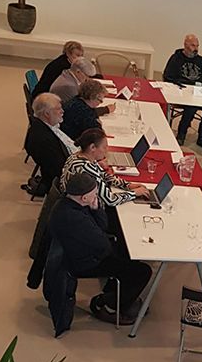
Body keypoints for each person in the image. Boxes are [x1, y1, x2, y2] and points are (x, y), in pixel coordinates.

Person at [49, 172, 152, 325]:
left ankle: (115, 293)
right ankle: (108, 305)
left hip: (79, 251)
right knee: (142, 271)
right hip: (84, 262)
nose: (96, 196)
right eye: (95, 194)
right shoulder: (75, 219)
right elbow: (103, 244)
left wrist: (96, 208)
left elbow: (103, 227)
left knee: (127, 252)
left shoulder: (69, 203)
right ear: (84, 198)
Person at [60, 128, 149, 207]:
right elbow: (110, 200)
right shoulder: (85, 167)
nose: (107, 150)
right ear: (92, 147)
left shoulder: (77, 156)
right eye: (104, 147)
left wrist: (128, 185)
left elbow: (104, 175)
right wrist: (134, 193)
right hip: (84, 208)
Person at [163, 34, 202, 151]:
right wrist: (182, 85)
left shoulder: (201, 61)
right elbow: (168, 77)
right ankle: (181, 134)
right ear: (185, 45)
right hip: (181, 92)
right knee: (192, 107)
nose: (196, 48)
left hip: (198, 92)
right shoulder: (176, 59)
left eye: (197, 46)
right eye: (193, 45)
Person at [23, 93, 76, 196]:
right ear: (47, 114)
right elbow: (61, 169)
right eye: (58, 109)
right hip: (70, 176)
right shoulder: (44, 139)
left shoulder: (48, 126)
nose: (62, 111)